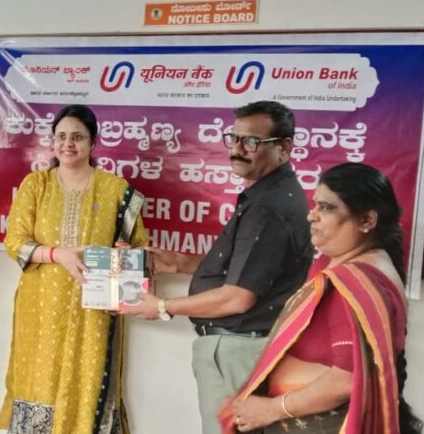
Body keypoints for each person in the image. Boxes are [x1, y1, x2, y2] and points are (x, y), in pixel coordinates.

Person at [121, 100, 313, 434]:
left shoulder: (268, 208)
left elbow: (237, 298)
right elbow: (247, 268)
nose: (238, 149)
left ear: (284, 148)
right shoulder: (265, 195)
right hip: (239, 347)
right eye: (234, 138)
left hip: (239, 349)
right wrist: (180, 263)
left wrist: (162, 306)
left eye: (251, 141)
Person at [221, 163, 423, 434]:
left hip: (321, 422)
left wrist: (271, 409)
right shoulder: (374, 269)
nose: (311, 216)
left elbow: (346, 380)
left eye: (326, 208)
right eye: (315, 205)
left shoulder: (353, 283)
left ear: (367, 220)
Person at [0, 104, 148, 434]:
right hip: (40, 309)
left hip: (94, 311)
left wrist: (125, 259)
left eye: (77, 137)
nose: (68, 144)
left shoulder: (115, 190)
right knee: (38, 381)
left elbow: (138, 248)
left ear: (93, 142)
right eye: (61, 136)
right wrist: (57, 254)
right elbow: (14, 242)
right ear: (52, 142)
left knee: (87, 383)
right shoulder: (36, 184)